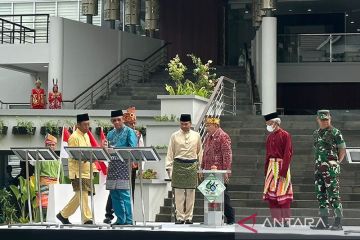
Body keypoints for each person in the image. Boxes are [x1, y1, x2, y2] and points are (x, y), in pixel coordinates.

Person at [310, 110, 346, 231]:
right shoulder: (316, 133)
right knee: (321, 195)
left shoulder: (336, 132)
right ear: (318, 120)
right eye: (322, 120)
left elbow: (342, 149)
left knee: (334, 195)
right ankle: (323, 222)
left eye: (327, 119)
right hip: (318, 168)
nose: (325, 122)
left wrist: (338, 162)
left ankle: (338, 222)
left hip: (330, 169)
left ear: (330, 119)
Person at [56, 113, 94, 225]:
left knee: (80, 195)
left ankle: (63, 215)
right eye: (85, 125)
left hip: (87, 170)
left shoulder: (86, 136)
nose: (87, 127)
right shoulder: (73, 137)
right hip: (78, 171)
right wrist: (85, 158)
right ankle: (87, 219)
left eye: (88, 124)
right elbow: (73, 154)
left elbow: (89, 152)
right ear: (78, 125)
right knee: (83, 194)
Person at [166, 114, 202, 224]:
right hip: (178, 165)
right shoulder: (174, 136)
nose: (184, 126)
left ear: (190, 124)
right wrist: (168, 167)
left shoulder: (196, 135)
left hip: (192, 165)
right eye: (182, 124)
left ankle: (189, 217)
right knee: (179, 193)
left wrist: (200, 168)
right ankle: (180, 217)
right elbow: (170, 152)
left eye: (186, 124)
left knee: (191, 193)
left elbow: (200, 152)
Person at [103, 110, 138, 225]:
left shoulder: (129, 132)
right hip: (112, 165)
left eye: (119, 119)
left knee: (125, 193)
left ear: (123, 119)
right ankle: (120, 219)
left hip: (124, 165)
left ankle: (129, 220)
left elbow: (133, 149)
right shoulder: (110, 134)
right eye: (114, 120)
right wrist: (105, 149)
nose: (117, 122)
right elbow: (107, 150)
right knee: (114, 193)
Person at [201, 116, 235, 225]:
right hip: (208, 171)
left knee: (222, 195)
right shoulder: (208, 137)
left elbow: (227, 155)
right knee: (211, 196)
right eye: (206, 125)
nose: (206, 128)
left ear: (215, 126)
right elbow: (204, 154)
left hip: (219, 171)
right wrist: (202, 168)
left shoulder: (223, 136)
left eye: (208, 125)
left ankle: (230, 217)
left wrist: (226, 171)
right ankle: (213, 219)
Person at [263, 112, 293, 227]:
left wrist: (284, 170)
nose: (267, 125)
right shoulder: (269, 137)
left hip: (281, 165)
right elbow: (267, 155)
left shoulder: (285, 135)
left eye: (269, 122)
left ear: (275, 122)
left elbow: (288, 153)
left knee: (283, 193)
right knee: (271, 196)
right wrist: (266, 170)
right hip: (271, 166)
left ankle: (285, 220)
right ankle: (277, 220)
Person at [36, 134, 64, 220]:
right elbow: (37, 174)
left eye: (53, 145)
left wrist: (61, 188)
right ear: (45, 146)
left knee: (55, 208)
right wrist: (37, 190)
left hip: (55, 186)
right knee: (43, 208)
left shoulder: (59, 160)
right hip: (43, 187)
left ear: (55, 146)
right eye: (49, 145)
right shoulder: (40, 159)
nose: (51, 146)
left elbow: (61, 176)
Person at [123, 106, 144, 199]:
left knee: (131, 190)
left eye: (132, 123)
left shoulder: (138, 134)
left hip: (132, 165)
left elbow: (141, 150)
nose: (131, 125)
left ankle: (130, 211)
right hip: (121, 165)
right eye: (129, 123)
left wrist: (141, 167)